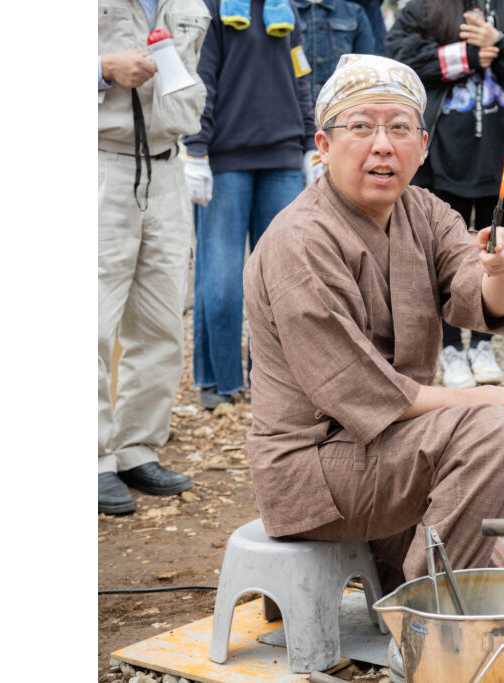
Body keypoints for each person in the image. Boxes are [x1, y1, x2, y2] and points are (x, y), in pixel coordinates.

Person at [243, 54, 504, 588]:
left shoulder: (424, 211)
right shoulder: (299, 240)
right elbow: (356, 389)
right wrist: (473, 401)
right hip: (317, 469)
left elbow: (482, 298)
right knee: (492, 433)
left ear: (422, 146)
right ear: (324, 146)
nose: (382, 145)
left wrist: (501, 268)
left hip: (395, 450)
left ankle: (418, 586)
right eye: (360, 127)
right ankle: (430, 620)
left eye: (399, 128)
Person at [387, 0, 504, 388]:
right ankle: (450, 346)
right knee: (442, 253)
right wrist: (466, 56)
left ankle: (483, 342)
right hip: (443, 155)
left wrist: (501, 42)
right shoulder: (425, 7)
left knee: (496, 250)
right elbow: (400, 60)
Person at [98, 0, 209, 515]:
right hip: (100, 162)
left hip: (167, 168)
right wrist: (103, 69)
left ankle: (136, 449)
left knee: (160, 322)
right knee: (92, 323)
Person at [184, 0, 321, 411]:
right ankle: (219, 380)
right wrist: (196, 149)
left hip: (283, 159)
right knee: (222, 280)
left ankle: (273, 378)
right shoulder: (212, 8)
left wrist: (310, 143)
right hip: (226, 161)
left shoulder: (285, 9)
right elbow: (203, 79)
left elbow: (301, 76)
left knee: (282, 280)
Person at [296, 0, 379, 106]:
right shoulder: (284, 13)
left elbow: (366, 68)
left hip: (342, 106)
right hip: (295, 106)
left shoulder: (353, 12)